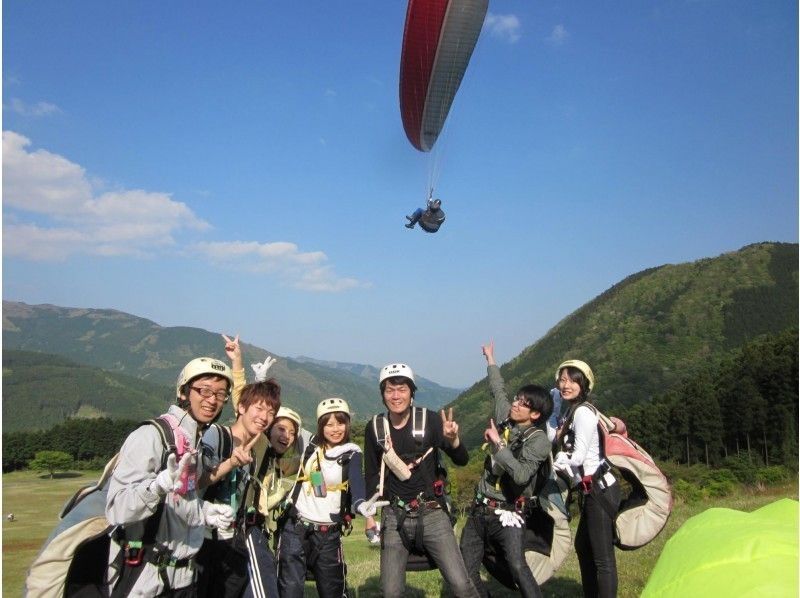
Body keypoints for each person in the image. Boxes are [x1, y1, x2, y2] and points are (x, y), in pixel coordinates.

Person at [105, 357, 237, 597]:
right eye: (204, 390)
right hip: (143, 579)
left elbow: (177, 505)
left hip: (184, 579)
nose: (212, 400)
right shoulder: (151, 436)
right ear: (184, 392)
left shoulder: (193, 443)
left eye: (220, 394)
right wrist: (157, 486)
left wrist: (205, 511)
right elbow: (117, 508)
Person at [364, 363, 479, 598]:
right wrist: (369, 516)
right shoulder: (375, 428)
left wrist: (454, 440)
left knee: (460, 584)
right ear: (382, 394)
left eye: (402, 389)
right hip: (394, 515)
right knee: (390, 591)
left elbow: (462, 460)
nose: (396, 396)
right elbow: (372, 473)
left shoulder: (430, 421)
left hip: (432, 512)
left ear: (412, 392)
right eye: (389, 390)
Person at [459, 341, 554, 598]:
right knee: (465, 571)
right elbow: (498, 390)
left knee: (517, 567)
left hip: (509, 514)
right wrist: (490, 359)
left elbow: (522, 474)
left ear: (535, 414)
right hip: (480, 510)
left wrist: (499, 446)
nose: (516, 404)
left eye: (524, 404)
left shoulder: (539, 440)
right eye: (518, 399)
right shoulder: (505, 418)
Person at [218, 334, 308, 598]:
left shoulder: (273, 454)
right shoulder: (246, 439)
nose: (284, 435)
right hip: (234, 530)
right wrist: (238, 365)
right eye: (279, 428)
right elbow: (243, 403)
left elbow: (249, 407)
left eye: (290, 432)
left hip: (248, 529)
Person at [277, 398, 382, 598]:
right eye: (329, 424)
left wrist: (361, 504)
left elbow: (356, 480)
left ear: (348, 424)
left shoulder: (351, 453)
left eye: (341, 423)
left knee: (333, 591)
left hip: (328, 534)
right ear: (320, 425)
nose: (336, 429)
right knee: (288, 591)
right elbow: (279, 426)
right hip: (295, 528)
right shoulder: (309, 444)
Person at [196, 374, 282, 598]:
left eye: (271, 413)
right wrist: (230, 463)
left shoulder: (256, 447)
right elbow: (196, 482)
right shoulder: (217, 435)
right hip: (206, 540)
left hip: (235, 540)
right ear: (241, 407)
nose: (264, 417)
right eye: (259, 409)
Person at [552, 360, 620, 598]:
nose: (566, 385)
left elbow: (578, 455)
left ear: (584, 384)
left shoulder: (582, 412)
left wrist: (559, 460)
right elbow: (560, 438)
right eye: (562, 380)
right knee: (583, 546)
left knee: (603, 558)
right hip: (591, 490)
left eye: (572, 380)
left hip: (600, 488)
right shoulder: (571, 412)